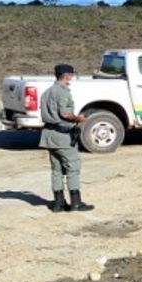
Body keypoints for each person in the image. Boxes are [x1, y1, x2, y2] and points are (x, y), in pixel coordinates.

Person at [39, 62, 93, 213]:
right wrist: (78, 119)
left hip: (49, 135)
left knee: (56, 170)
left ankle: (59, 204)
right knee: (73, 167)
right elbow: (65, 114)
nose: (72, 78)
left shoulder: (47, 92)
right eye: (71, 75)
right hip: (62, 135)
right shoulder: (63, 93)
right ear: (67, 76)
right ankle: (76, 203)